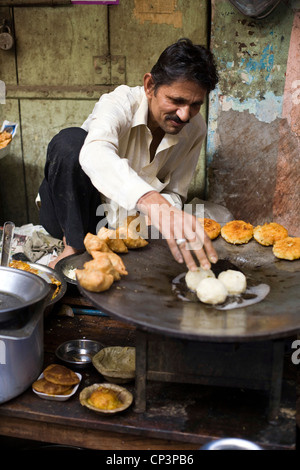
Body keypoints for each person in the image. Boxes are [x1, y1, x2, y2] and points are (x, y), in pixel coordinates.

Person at [38, 38, 219, 271]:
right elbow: (94, 153)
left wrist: (161, 216)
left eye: (195, 104)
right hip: (71, 214)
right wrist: (150, 200)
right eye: (176, 100)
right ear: (149, 86)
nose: (185, 115)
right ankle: (73, 246)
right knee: (70, 142)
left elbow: (176, 192)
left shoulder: (195, 128)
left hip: (125, 224)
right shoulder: (119, 103)